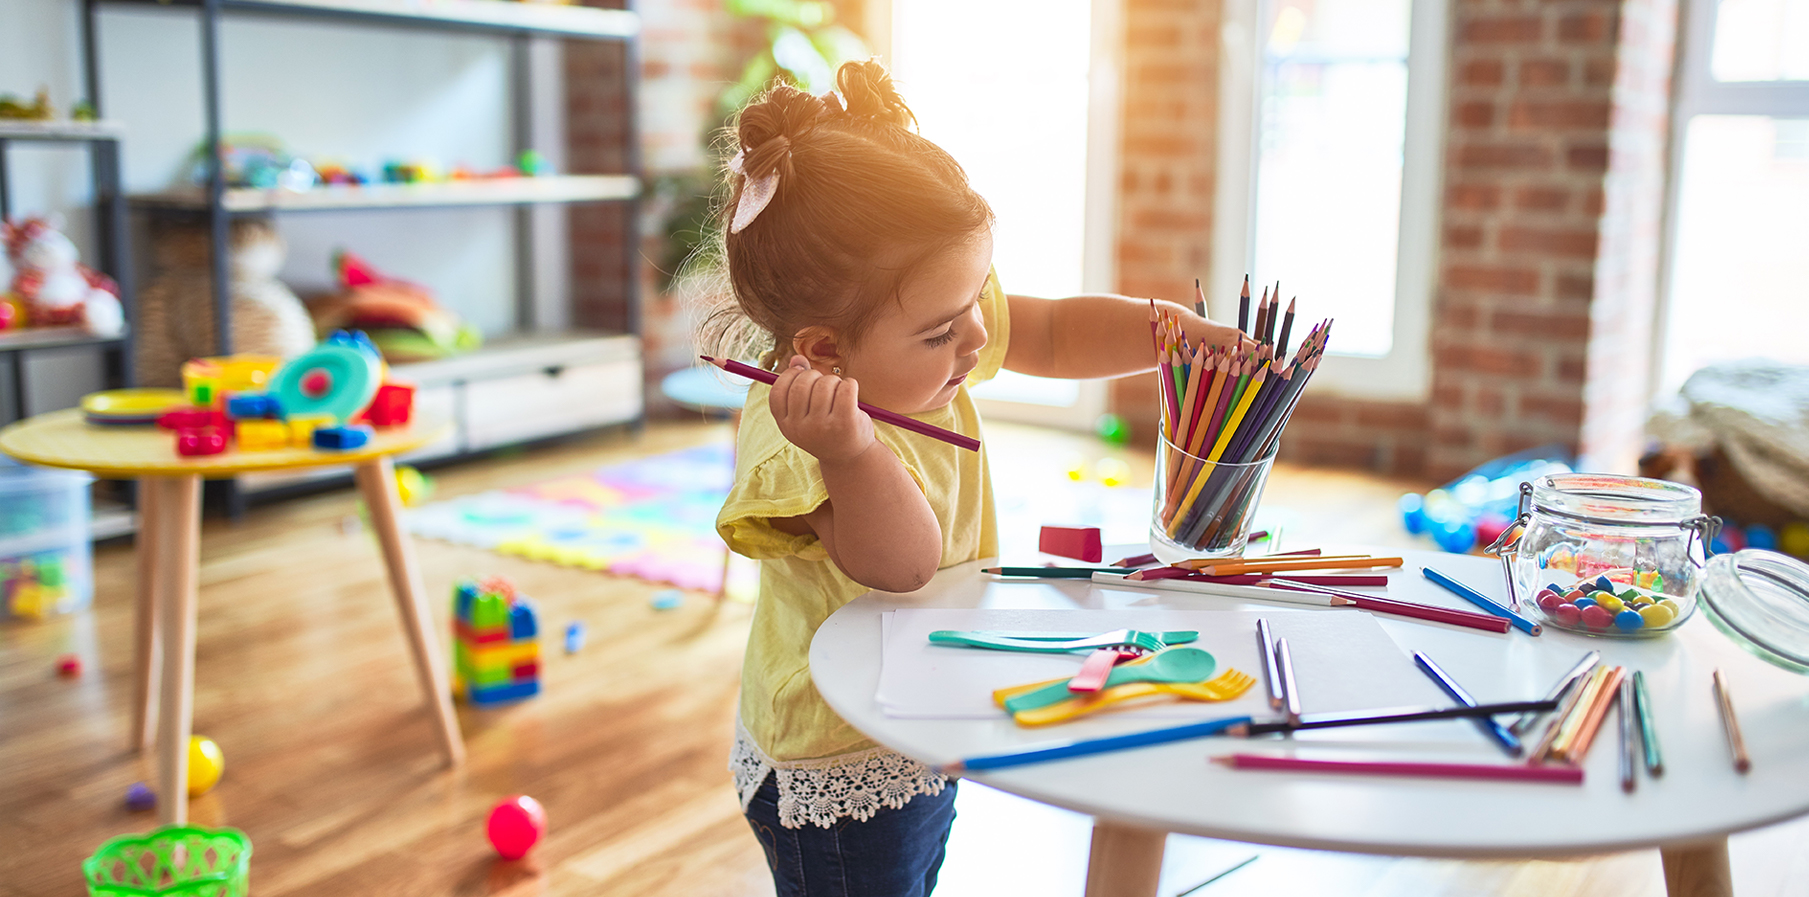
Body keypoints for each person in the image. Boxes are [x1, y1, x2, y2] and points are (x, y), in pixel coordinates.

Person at [707, 59, 1246, 897]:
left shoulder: (930, 334)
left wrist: (1169, 333)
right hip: (840, 751)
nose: (976, 337)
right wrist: (852, 452)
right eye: (942, 329)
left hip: (918, 706)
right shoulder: (796, 437)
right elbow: (903, 564)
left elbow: (1054, 333)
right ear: (824, 351)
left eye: (973, 303)